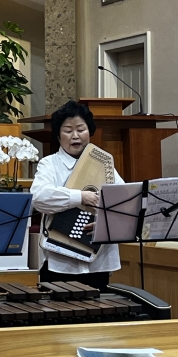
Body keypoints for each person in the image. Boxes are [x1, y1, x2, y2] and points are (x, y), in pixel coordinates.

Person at [30, 100, 124, 291]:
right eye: (68, 130)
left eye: (81, 129)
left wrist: (107, 225)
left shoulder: (104, 164)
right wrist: (80, 197)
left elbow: (124, 202)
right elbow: (38, 197)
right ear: (58, 135)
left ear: (89, 132)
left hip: (98, 262)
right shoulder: (50, 164)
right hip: (60, 262)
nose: (75, 136)